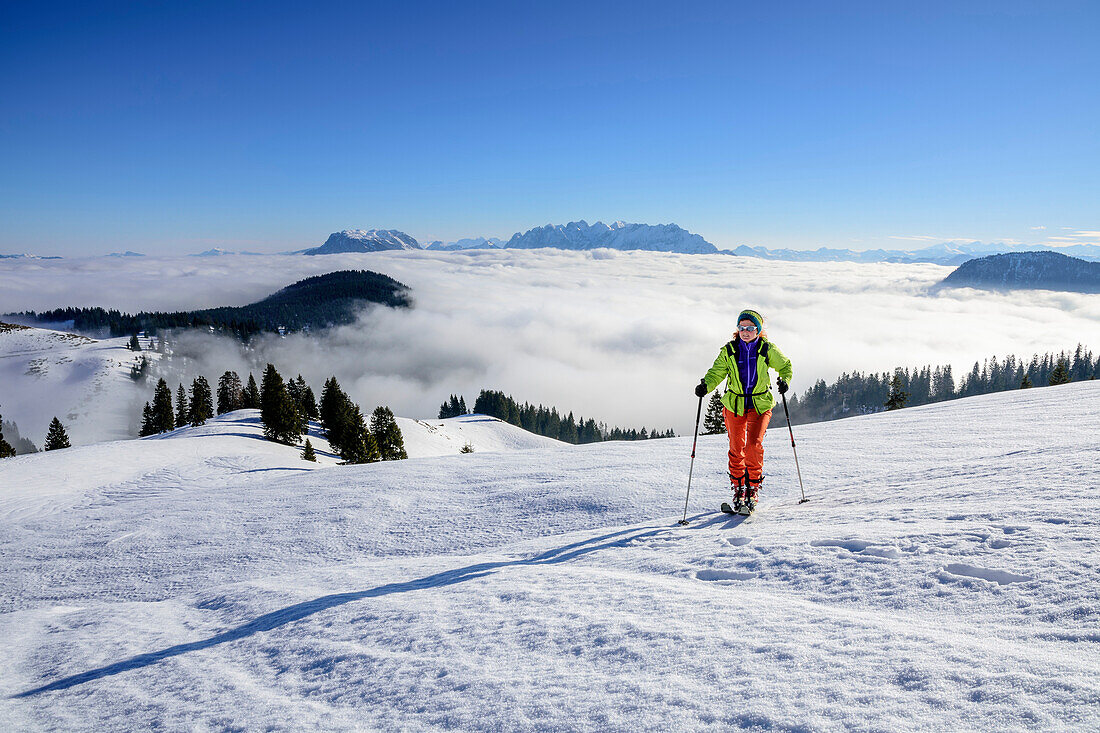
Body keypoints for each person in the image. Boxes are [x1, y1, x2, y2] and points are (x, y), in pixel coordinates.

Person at [695, 309, 793, 513]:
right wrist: (706, 385)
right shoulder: (730, 350)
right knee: (736, 448)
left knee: (753, 446)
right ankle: (739, 488)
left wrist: (785, 381)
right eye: (742, 328)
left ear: (758, 330)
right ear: (737, 329)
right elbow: (717, 372)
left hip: (760, 404)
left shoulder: (766, 349)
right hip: (734, 404)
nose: (745, 331)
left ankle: (753, 488)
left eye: (750, 328)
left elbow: (785, 365)